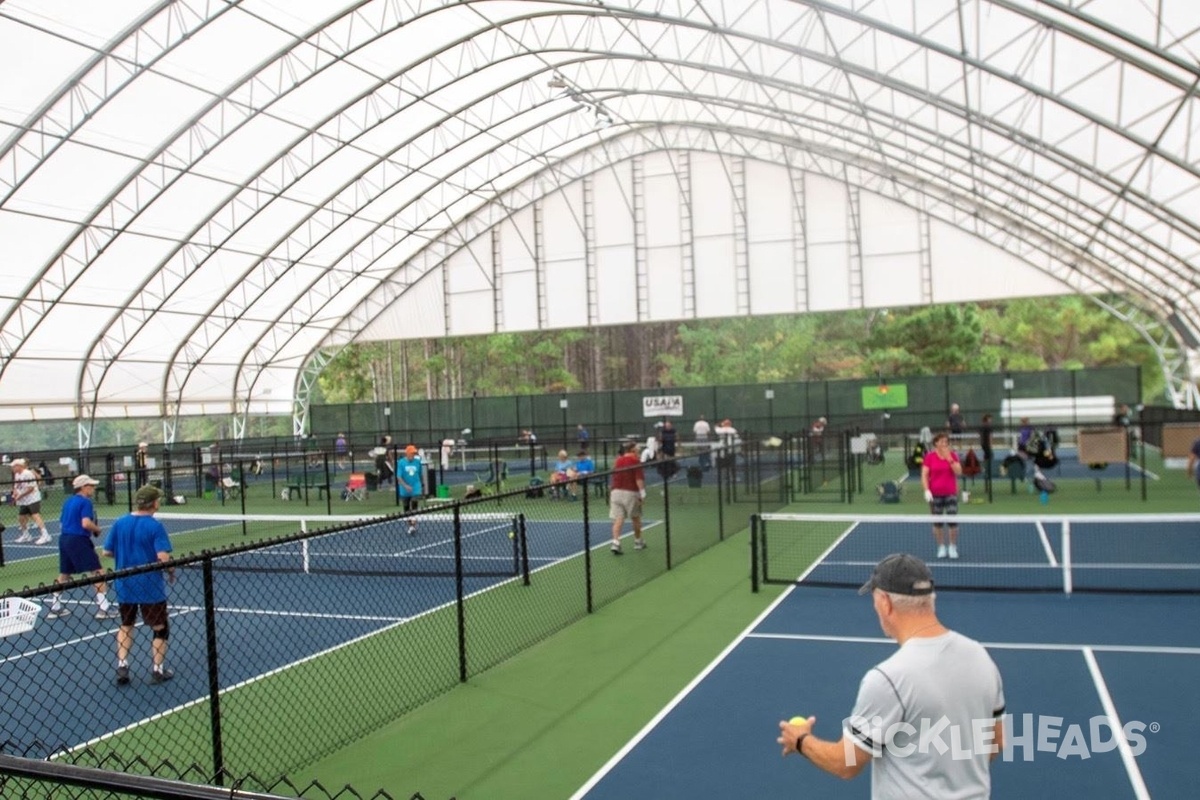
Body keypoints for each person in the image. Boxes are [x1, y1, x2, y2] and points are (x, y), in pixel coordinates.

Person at [777, 554, 1005, 796]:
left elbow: (845, 764)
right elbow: (996, 743)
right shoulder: (981, 656)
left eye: (874, 600)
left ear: (885, 602)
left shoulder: (888, 679)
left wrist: (801, 740)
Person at [103, 484, 175, 685]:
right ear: (154, 503)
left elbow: (107, 552)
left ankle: (123, 665)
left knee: (126, 625)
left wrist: (127, 556)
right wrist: (170, 570)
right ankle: (157, 670)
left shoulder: (120, 523)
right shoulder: (155, 526)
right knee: (160, 627)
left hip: (124, 584)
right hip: (150, 585)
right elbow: (163, 557)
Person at [50, 475, 116, 620]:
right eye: (91, 486)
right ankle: (104, 608)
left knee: (65, 573)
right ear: (84, 487)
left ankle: (55, 607)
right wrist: (97, 529)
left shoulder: (68, 502)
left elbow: (62, 523)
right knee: (98, 571)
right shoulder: (86, 502)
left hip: (64, 539)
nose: (93, 488)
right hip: (78, 539)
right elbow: (86, 523)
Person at [921, 432, 963, 559]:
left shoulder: (953, 456)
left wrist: (949, 458)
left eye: (946, 442)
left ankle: (952, 547)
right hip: (935, 495)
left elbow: (959, 472)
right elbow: (924, 475)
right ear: (936, 443)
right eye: (942, 441)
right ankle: (941, 547)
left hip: (950, 493)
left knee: (952, 522)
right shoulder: (929, 457)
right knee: (937, 523)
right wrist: (926, 490)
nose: (945, 444)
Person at [609, 439, 646, 555]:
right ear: (633, 449)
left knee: (618, 518)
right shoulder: (635, 461)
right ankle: (638, 541)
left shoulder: (618, 461)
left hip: (615, 493)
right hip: (630, 493)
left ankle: (616, 542)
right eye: (637, 448)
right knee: (635, 517)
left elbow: (614, 475)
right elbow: (638, 479)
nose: (639, 450)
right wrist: (642, 492)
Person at [10, 458, 51, 545]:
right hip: (24, 500)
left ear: (19, 466)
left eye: (14, 467)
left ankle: (45, 535)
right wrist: (14, 495)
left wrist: (19, 496)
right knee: (21, 518)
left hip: (33, 498)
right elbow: (16, 485)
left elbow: (31, 488)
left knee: (35, 515)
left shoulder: (27, 474)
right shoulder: (17, 474)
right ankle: (26, 535)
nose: (12, 468)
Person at [396, 444, 423, 535]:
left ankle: (414, 523)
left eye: (414, 454)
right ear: (407, 454)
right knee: (406, 507)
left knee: (414, 502)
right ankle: (411, 525)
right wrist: (405, 485)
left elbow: (420, 474)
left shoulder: (417, 462)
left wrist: (421, 484)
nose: (413, 455)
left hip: (415, 486)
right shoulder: (401, 463)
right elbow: (399, 477)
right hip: (404, 488)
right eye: (411, 453)